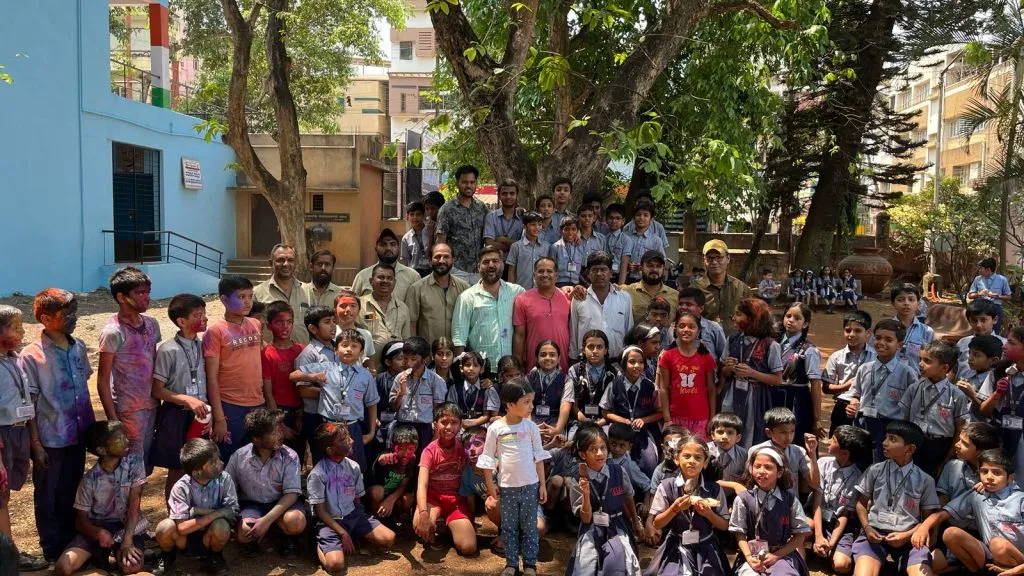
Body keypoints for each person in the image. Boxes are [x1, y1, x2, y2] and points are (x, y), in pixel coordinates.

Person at [21, 289, 94, 566]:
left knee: (72, 490)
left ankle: (72, 544)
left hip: (78, 434)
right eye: (67, 314)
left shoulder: (78, 347)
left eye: (75, 312)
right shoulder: (31, 356)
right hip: (50, 438)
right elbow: (30, 405)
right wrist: (36, 444)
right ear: (45, 318)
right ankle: (52, 548)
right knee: (48, 495)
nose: (74, 318)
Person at [54, 421, 147, 576]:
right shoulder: (89, 480)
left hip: (126, 527)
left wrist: (127, 540)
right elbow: (81, 521)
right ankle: (101, 561)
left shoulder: (135, 463)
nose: (126, 440)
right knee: (64, 567)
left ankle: (109, 557)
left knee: (131, 567)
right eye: (119, 439)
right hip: (98, 528)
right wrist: (98, 533)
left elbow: (134, 504)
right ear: (102, 450)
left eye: (125, 435)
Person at [478, 378, 551, 576]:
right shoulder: (496, 428)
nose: (531, 406)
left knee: (529, 526)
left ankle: (530, 564)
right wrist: (490, 484)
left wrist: (542, 485)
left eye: (531, 401)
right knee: (508, 527)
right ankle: (511, 564)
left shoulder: (531, 428)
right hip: (507, 487)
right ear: (510, 405)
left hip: (530, 486)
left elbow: (539, 458)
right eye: (526, 402)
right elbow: (487, 457)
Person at [914, 448, 1024, 575]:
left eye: (996, 473)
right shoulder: (977, 495)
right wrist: (924, 527)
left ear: (1010, 478)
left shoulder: (1020, 499)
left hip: (1019, 560)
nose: (989, 477)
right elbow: (942, 514)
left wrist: (1018, 570)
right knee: (950, 533)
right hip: (989, 555)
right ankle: (978, 571)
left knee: (998, 545)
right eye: (984, 471)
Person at [851, 421, 939, 576]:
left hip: (910, 538)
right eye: (885, 438)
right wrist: (867, 527)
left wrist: (906, 536)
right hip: (875, 535)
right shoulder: (874, 470)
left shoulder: (925, 480)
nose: (884, 443)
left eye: (892, 439)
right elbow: (860, 504)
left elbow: (927, 520)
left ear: (910, 449)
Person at [308, 422, 396, 573]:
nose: (352, 441)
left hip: (353, 516)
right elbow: (321, 512)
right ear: (330, 450)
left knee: (389, 538)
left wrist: (358, 522)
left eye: (348, 436)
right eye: (343, 440)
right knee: (335, 565)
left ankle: (351, 536)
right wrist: (342, 532)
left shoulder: (353, 466)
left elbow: (357, 500)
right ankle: (319, 544)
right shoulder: (318, 474)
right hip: (330, 522)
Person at [96, 267, 161, 467]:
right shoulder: (113, 332)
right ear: (122, 297)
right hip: (128, 410)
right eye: (140, 293)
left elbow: (155, 361)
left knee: (146, 462)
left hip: (152, 404)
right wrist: (113, 422)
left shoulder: (151, 324)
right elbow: (102, 381)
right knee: (130, 466)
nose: (146, 298)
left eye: (148, 292)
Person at [150, 294, 210, 505]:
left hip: (201, 414)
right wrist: (185, 399)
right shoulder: (168, 350)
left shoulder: (204, 346)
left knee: (200, 464)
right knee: (177, 466)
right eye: (197, 315)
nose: (204, 319)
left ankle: (196, 509)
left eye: (204, 313)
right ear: (181, 321)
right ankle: (174, 515)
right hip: (176, 414)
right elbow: (158, 390)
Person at [646, 432, 731, 576]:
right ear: (677, 459)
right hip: (675, 545)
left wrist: (708, 514)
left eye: (698, 458)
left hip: (706, 545)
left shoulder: (714, 489)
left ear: (705, 463)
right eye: (686, 456)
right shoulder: (666, 486)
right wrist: (674, 509)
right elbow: (657, 524)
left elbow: (724, 525)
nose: (692, 461)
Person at [292, 329, 378, 470]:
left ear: (361, 352)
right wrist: (312, 377)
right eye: (344, 345)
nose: (349, 349)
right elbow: (293, 375)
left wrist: (371, 432)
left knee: (355, 468)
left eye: (354, 346)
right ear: (336, 350)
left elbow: (372, 403)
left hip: (352, 427)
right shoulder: (325, 368)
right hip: (329, 427)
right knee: (325, 466)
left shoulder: (365, 376)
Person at [566, 423, 645, 576]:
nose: (600, 453)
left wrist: (635, 521)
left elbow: (628, 496)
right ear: (583, 455)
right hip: (591, 528)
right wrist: (586, 494)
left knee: (621, 562)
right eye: (593, 450)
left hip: (617, 525)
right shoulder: (577, 479)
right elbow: (585, 517)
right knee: (586, 566)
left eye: (603, 448)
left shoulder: (618, 471)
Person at [225, 408, 305, 558]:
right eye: (274, 433)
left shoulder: (290, 456)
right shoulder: (239, 457)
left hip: (283, 504)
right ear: (256, 439)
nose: (280, 435)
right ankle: (258, 535)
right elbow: (229, 489)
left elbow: (292, 494)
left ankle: (287, 537)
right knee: (244, 533)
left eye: (280, 430)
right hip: (253, 504)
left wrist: (266, 521)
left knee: (296, 521)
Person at [152, 437, 236, 575]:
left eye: (219, 458)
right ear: (197, 472)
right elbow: (182, 528)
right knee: (165, 527)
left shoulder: (225, 479)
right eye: (213, 463)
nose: (221, 463)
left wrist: (196, 511)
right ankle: (168, 556)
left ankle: (215, 556)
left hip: (210, 535)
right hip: (184, 540)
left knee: (222, 525)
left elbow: (232, 513)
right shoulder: (181, 487)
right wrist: (216, 513)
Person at [204, 276, 265, 462]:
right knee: (229, 459)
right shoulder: (215, 332)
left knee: (255, 457)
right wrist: (219, 418)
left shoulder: (255, 324)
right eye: (241, 297)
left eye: (250, 296)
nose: (247, 302)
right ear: (223, 299)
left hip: (257, 402)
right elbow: (211, 377)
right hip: (230, 405)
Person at [728, 445, 811, 576]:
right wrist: (749, 558)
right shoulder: (743, 499)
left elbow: (800, 535)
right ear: (751, 469)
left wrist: (776, 556)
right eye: (757, 466)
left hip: (782, 555)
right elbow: (739, 533)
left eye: (768, 467)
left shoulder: (789, 500)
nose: (761, 471)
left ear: (780, 472)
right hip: (752, 556)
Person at [842, 319, 917, 462]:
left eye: (889, 339)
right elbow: (855, 393)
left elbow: (912, 407)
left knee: (882, 465)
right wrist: (854, 403)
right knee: (859, 462)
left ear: (900, 345)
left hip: (890, 428)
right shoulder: (865, 368)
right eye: (878, 338)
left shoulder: (907, 374)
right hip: (863, 423)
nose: (881, 343)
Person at [414, 403, 477, 556]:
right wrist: (423, 513)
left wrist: (472, 515)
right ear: (435, 424)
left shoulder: (464, 448)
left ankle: (451, 528)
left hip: (456, 501)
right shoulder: (429, 451)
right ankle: (433, 521)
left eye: (454, 422)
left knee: (469, 547)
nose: (449, 427)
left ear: (461, 425)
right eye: (444, 422)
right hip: (433, 499)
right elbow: (422, 484)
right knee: (420, 528)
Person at [899, 340, 969, 476]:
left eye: (927, 361)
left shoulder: (956, 395)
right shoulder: (914, 388)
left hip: (940, 447)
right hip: (914, 443)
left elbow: (960, 429)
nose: (920, 364)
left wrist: (947, 459)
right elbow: (906, 420)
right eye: (920, 359)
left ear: (944, 368)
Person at [721, 298, 783, 447]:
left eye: (738, 314)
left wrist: (752, 373)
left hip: (756, 398)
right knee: (728, 429)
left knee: (752, 433)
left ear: (752, 319)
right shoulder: (733, 339)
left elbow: (777, 379)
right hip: (732, 394)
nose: (734, 318)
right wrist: (729, 368)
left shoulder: (770, 345)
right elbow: (724, 373)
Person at [810, 426, 872, 575]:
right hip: (816, 517)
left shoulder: (859, 477)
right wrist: (819, 536)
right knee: (807, 526)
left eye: (834, 440)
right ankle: (815, 543)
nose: (829, 441)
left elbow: (844, 513)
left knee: (842, 565)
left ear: (844, 453)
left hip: (838, 525)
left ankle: (826, 548)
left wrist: (831, 544)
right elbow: (817, 501)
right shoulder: (823, 463)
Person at [452, 246, 526, 362]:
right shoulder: (467, 298)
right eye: (486, 262)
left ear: (503, 264)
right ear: (478, 267)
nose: (491, 265)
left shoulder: (517, 292)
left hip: (510, 371)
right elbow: (459, 338)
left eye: (495, 261)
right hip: (481, 370)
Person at [602, 346, 662, 475]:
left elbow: (660, 412)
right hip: (619, 429)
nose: (636, 366)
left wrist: (643, 420)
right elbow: (605, 411)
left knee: (649, 463)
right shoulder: (614, 385)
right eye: (632, 362)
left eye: (640, 362)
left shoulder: (650, 386)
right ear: (624, 364)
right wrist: (622, 420)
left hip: (642, 430)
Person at [657, 310, 717, 436]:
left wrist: (712, 418)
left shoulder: (706, 357)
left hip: (701, 417)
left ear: (698, 331)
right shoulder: (667, 356)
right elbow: (663, 389)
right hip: (676, 418)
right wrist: (667, 419)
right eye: (682, 326)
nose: (686, 330)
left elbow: (711, 389)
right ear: (675, 329)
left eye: (692, 327)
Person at [977, 325, 1024, 479]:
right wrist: (997, 394)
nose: (1004, 346)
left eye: (1011, 342)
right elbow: (984, 410)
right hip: (1001, 438)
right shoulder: (999, 372)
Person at [259, 301, 305, 457]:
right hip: (279, 412)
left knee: (298, 455)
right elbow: (268, 392)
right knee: (279, 456)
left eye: (289, 322)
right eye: (279, 322)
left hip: (300, 412)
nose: (285, 327)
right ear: (270, 325)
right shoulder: (266, 354)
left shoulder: (302, 350)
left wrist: (302, 414)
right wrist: (279, 424)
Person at [570, 251, 634, 361]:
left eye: (603, 269)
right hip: (586, 361)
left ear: (611, 273)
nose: (599, 273)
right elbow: (574, 332)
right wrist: (573, 358)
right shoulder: (579, 299)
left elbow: (629, 331)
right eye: (594, 270)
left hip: (617, 360)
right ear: (588, 274)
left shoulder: (624, 298)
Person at [513, 257, 572, 372]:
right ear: (534, 275)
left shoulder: (567, 297)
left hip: (562, 364)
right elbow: (519, 335)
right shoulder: (522, 300)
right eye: (540, 271)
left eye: (549, 271)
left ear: (556, 275)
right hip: (534, 366)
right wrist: (518, 365)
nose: (545, 274)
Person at [390, 336, 448, 452]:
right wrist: (401, 393)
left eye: (413, 359)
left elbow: (439, 413)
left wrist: (435, 437)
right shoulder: (400, 377)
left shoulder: (436, 381)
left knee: (421, 464)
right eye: (406, 359)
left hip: (423, 429)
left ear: (425, 359)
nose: (408, 363)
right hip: (402, 426)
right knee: (402, 465)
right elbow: (393, 407)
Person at [778, 303, 824, 445]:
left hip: (797, 401)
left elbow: (815, 385)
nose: (791, 320)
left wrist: (817, 418)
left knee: (795, 441)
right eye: (788, 316)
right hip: (774, 397)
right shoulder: (773, 343)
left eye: (797, 318)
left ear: (805, 324)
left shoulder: (809, 350)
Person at [406, 243, 470, 345]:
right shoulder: (417, 289)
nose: (441, 261)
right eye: (437, 257)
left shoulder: (464, 288)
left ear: (453, 260)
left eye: (446, 257)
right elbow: (411, 324)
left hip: (457, 353)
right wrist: (417, 352)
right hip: (428, 355)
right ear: (430, 259)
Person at [823, 310, 875, 436]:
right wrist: (845, 386)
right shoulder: (836, 357)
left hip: (867, 407)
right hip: (842, 406)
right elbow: (826, 388)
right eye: (848, 330)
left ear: (868, 333)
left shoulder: (876, 357)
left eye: (858, 331)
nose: (852, 334)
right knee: (838, 442)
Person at [751, 407, 817, 503]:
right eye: (783, 432)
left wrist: (812, 454)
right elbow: (749, 482)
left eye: (792, 431)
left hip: (790, 506)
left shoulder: (798, 452)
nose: (789, 437)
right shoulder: (756, 451)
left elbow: (814, 484)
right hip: (762, 503)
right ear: (769, 432)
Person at [437, 165, 489, 283]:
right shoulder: (447, 209)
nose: (469, 185)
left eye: (472, 182)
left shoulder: (482, 208)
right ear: (457, 183)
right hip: (456, 271)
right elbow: (441, 242)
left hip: (479, 271)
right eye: (465, 182)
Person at [693, 240, 753, 335]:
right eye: (709, 258)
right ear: (704, 260)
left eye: (719, 258)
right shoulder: (694, 289)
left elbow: (752, 317)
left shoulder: (741, 289)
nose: (714, 262)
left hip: (735, 343)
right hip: (705, 343)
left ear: (728, 258)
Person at [254, 244, 311, 344]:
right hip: (271, 356)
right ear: (271, 263)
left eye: (290, 260)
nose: (286, 264)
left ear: (296, 263)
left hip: (304, 355)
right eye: (280, 260)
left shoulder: (308, 291)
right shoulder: (257, 293)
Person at [935, 422, 1000, 506]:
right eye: (959, 440)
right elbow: (943, 497)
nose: (957, 445)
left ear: (980, 451)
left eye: (964, 443)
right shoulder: (952, 466)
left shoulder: (998, 476)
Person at [360, 263, 412, 365]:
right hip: (369, 368)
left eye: (389, 278)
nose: (385, 281)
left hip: (394, 371)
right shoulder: (359, 306)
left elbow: (406, 341)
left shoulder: (402, 308)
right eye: (381, 277)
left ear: (394, 282)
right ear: (371, 281)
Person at [351, 229, 422, 302]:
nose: (388, 248)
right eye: (383, 244)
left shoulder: (413, 276)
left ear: (398, 248)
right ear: (376, 249)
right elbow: (352, 302)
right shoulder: (363, 276)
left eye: (392, 244)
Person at [367, 424, 418, 522]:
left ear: (415, 448)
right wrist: (382, 460)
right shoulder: (387, 456)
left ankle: (392, 519)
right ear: (393, 446)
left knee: (407, 499)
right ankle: (375, 520)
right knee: (378, 491)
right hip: (376, 498)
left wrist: (391, 499)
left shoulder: (412, 460)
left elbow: (404, 485)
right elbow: (381, 459)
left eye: (410, 449)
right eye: (401, 449)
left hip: (392, 498)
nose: (405, 454)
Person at [527, 341, 574, 447]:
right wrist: (531, 428)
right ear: (537, 358)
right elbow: (525, 405)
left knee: (561, 444)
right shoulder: (529, 378)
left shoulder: (567, 380)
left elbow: (565, 406)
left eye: (552, 355)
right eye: (543, 355)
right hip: (532, 419)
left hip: (555, 420)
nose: (548, 358)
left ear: (559, 358)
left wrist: (558, 429)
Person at [567, 330, 616, 429]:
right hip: (579, 420)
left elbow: (615, 406)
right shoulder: (574, 370)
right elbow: (573, 405)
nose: (594, 351)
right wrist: (586, 421)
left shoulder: (614, 373)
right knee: (574, 438)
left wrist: (600, 423)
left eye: (599, 347)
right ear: (584, 350)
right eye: (590, 347)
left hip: (605, 422)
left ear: (606, 350)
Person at [446, 350, 500, 430]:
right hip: (459, 426)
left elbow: (486, 416)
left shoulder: (487, 389)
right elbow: (451, 412)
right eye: (467, 365)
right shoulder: (454, 389)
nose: (471, 368)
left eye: (475, 365)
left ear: (481, 369)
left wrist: (472, 422)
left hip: (481, 428)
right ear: (461, 368)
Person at [891, 283, 934, 378]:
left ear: (918, 304)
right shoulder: (885, 328)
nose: (906, 303)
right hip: (888, 378)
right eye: (900, 300)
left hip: (915, 380)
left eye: (911, 299)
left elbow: (929, 360)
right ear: (893, 303)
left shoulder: (927, 332)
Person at [624, 250, 679, 324]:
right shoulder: (627, 292)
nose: (654, 270)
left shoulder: (676, 296)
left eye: (659, 266)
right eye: (650, 266)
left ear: (663, 269)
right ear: (641, 268)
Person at [956, 334, 1003, 419]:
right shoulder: (968, 373)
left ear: (993, 360)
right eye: (969, 353)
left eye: (976, 355)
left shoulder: (995, 381)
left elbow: (988, 413)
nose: (970, 358)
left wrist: (972, 395)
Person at [677, 287, 729, 363]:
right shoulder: (674, 329)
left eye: (689, 304)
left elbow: (724, 358)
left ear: (701, 308)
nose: (683, 307)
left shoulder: (713, 328)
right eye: (681, 304)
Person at [334, 289, 377, 373]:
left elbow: (368, 358)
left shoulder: (365, 334)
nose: (348, 310)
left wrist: (371, 367)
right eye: (343, 306)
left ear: (359, 310)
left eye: (353, 306)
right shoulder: (330, 333)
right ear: (335, 310)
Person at [607, 423, 653, 500]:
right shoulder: (603, 456)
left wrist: (646, 502)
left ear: (629, 446)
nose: (617, 449)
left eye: (622, 446)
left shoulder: (629, 466)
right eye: (613, 444)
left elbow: (646, 485)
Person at [707, 412, 748, 499]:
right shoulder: (705, 452)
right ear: (713, 435)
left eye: (730, 432)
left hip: (732, 497)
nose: (725, 436)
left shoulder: (744, 455)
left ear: (738, 438)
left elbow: (745, 481)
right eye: (720, 432)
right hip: (708, 496)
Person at [626, 199, 667, 283]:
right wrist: (627, 265)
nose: (641, 217)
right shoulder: (626, 237)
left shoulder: (656, 240)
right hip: (627, 278)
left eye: (645, 215)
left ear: (651, 219)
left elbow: (662, 261)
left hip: (647, 280)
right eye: (638, 215)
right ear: (633, 217)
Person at [506, 211, 551, 290]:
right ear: (524, 226)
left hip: (541, 290)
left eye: (539, 224)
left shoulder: (546, 246)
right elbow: (511, 271)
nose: (537, 227)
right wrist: (511, 290)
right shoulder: (516, 246)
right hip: (521, 290)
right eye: (533, 224)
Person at [967, 257, 1012, 333]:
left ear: (988, 269)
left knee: (994, 332)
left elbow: (1009, 297)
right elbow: (970, 296)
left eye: (981, 268)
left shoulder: (1002, 279)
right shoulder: (978, 279)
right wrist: (979, 294)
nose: (979, 270)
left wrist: (997, 296)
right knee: (978, 330)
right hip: (979, 308)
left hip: (995, 308)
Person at [956, 298, 1005, 363]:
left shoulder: (1004, 345)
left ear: (995, 320)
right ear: (969, 321)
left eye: (983, 320)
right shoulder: (963, 343)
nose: (978, 325)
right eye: (974, 320)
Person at [484, 179, 525, 255]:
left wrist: (503, 240)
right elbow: (489, 244)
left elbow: (525, 246)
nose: (508, 196)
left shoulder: (523, 217)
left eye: (512, 193)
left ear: (517, 195)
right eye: (504, 194)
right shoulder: (491, 216)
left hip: (518, 264)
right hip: (496, 262)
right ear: (499, 196)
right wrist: (514, 245)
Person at [604, 203, 636, 285]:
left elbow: (624, 264)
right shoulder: (602, 237)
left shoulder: (626, 240)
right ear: (606, 220)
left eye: (618, 218)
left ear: (623, 221)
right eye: (611, 218)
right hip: (603, 276)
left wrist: (621, 285)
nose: (614, 221)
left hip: (617, 277)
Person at [551, 215, 587, 287]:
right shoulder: (555, 247)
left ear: (577, 231)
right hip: (559, 284)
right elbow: (551, 268)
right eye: (566, 229)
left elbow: (583, 268)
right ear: (561, 231)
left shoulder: (580, 246)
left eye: (573, 229)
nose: (570, 233)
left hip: (576, 284)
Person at [400, 201, 431, 277]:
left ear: (424, 215)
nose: (415, 217)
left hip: (431, 272)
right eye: (412, 214)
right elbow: (405, 262)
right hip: (414, 274)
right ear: (408, 216)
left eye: (418, 214)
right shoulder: (406, 238)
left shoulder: (431, 231)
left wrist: (430, 235)